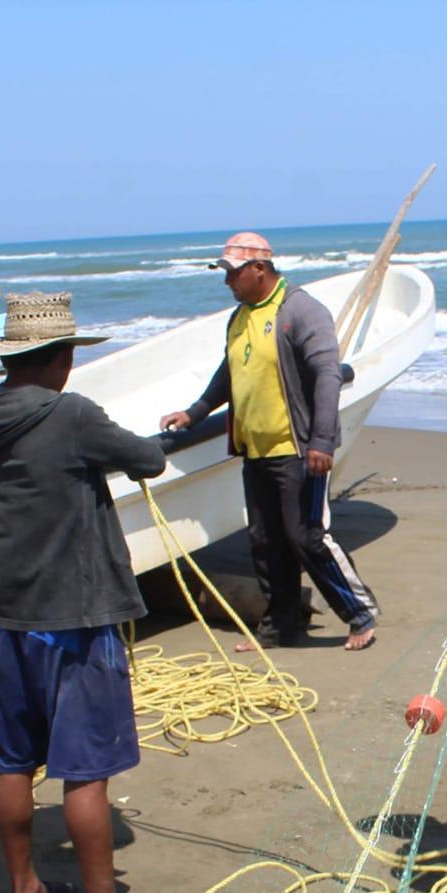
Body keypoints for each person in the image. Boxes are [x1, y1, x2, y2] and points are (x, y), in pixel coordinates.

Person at [0, 292, 175, 893]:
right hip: (73, 620)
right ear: (59, 358)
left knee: (14, 763)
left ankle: (24, 892)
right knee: (85, 770)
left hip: (5, 616)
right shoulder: (70, 415)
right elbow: (147, 458)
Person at [160, 231, 379, 652]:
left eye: (233, 273)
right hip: (255, 450)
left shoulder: (300, 311)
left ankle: (359, 613)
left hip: (296, 448)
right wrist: (194, 412)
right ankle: (280, 627)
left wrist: (322, 441)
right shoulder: (239, 317)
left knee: (306, 536)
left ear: (259, 269)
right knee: (265, 542)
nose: (227, 282)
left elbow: (327, 376)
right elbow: (230, 374)